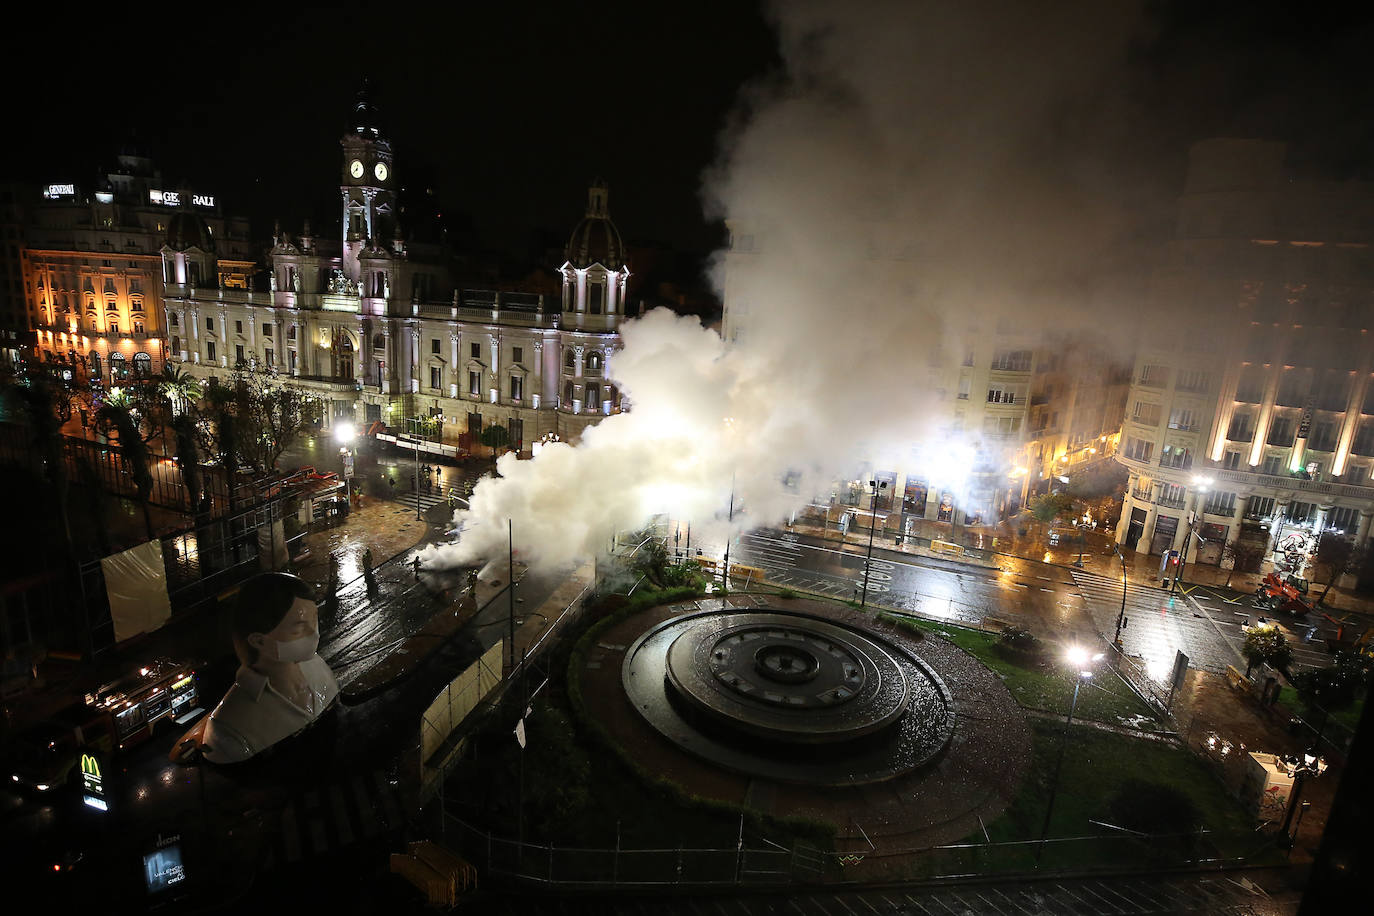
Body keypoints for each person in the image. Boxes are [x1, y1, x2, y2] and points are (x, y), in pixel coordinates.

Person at [172, 573, 339, 764]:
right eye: (299, 629)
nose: (314, 633)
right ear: (258, 640)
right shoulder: (228, 730)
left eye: (314, 621)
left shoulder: (316, 665)